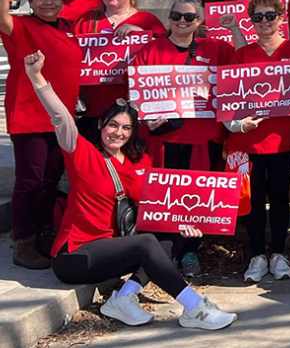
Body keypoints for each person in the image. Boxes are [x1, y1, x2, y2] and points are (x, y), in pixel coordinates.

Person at [25, 51, 236, 330]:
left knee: (169, 235)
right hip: (75, 256)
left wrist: (184, 223)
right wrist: (36, 76)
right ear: (100, 124)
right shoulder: (82, 153)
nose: (118, 133)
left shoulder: (141, 162)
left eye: (126, 127)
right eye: (113, 124)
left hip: (113, 249)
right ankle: (195, 308)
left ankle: (123, 297)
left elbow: (157, 209)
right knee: (146, 243)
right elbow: (61, 117)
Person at [132, 0, 234, 276]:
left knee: (196, 199)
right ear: (168, 17)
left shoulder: (216, 49)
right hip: (163, 141)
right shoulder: (151, 50)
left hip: (203, 139)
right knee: (166, 200)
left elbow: (240, 72)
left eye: (189, 17)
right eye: (176, 15)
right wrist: (145, 117)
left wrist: (235, 28)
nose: (182, 21)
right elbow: (137, 97)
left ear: (198, 22)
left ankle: (190, 251)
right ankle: (169, 252)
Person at [0, 0, 80, 269]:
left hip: (61, 118)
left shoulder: (69, 29)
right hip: (30, 116)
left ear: (62, 0)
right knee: (30, 181)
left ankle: (46, 233)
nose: (48, 2)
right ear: (30, 2)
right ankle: (22, 241)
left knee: (50, 180)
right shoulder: (20, 27)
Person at [224, 0, 290, 283]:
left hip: (283, 140)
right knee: (253, 201)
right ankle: (258, 255)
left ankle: (280, 253)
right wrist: (238, 126)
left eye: (270, 16)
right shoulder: (242, 55)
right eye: (257, 17)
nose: (264, 22)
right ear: (251, 21)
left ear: (280, 17)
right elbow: (227, 99)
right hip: (248, 143)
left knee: (281, 199)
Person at [74, 0, 165, 137]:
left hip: (133, 109)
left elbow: (167, 55)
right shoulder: (87, 20)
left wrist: (142, 35)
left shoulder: (147, 21)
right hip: (93, 109)